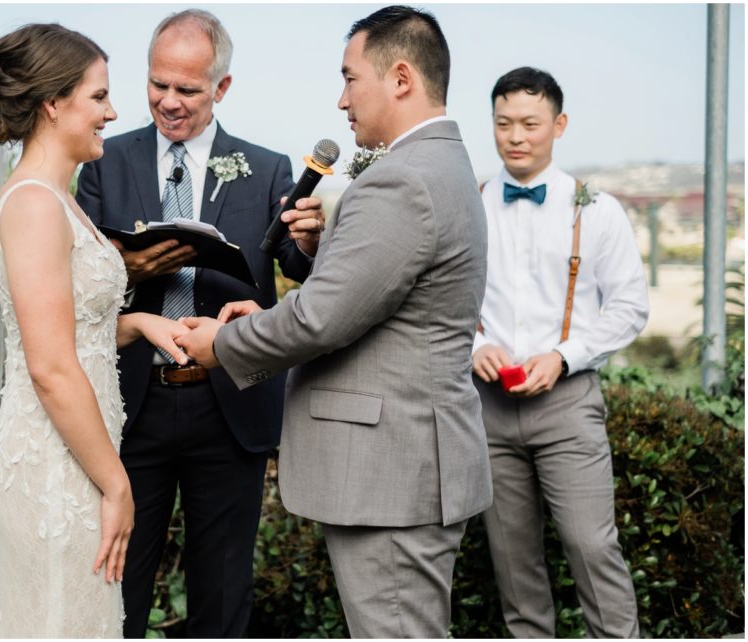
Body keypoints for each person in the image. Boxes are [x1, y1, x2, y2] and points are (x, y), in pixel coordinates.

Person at [176, 6, 491, 638]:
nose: (340, 99)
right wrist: (278, 306)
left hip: (392, 473)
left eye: (350, 78)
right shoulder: (442, 166)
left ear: (400, 77)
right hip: (408, 463)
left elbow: (321, 320)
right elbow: (365, 304)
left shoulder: (403, 180)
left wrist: (224, 343)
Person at [0, 23, 191, 638]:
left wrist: (140, 322)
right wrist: (116, 484)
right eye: (98, 97)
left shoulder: (59, 200)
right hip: (52, 469)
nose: (112, 112)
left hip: (75, 460)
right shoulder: (36, 205)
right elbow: (49, 365)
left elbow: (72, 330)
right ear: (52, 103)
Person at [75, 9, 325, 638]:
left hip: (230, 404)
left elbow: (297, 266)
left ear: (223, 88)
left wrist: (314, 238)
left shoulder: (267, 169)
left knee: (222, 591)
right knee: (117, 585)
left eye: (187, 89)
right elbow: (76, 278)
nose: (168, 101)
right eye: (158, 84)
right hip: (133, 402)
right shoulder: (107, 161)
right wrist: (132, 264)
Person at [471, 66, 648, 637]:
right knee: (513, 563)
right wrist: (472, 345)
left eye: (529, 123)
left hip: (567, 404)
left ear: (559, 124)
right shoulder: (469, 205)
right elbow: (443, 298)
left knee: (592, 547)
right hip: (489, 407)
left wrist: (565, 356)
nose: (515, 136)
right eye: (504, 124)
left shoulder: (596, 209)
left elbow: (629, 307)